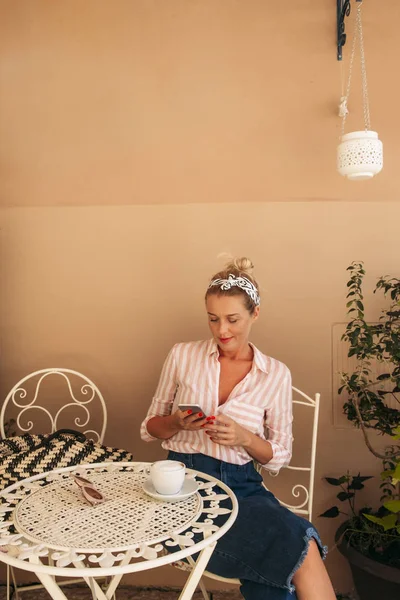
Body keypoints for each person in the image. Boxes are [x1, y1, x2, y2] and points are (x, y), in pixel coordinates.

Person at [140, 257, 336, 600]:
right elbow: (151, 427)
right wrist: (176, 422)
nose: (222, 331)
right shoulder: (182, 355)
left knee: (297, 541)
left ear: (255, 314)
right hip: (184, 489)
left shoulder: (275, 373)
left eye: (233, 319)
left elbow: (279, 455)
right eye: (213, 319)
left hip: (244, 488)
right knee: (296, 550)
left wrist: (244, 438)